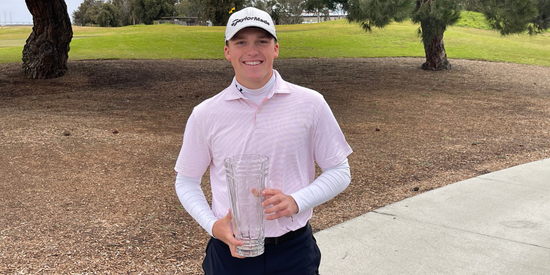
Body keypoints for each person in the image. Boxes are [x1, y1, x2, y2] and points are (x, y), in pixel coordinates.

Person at [174, 7, 352, 275]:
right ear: (227, 51)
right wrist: (212, 225)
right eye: (241, 42)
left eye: (262, 41)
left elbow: (339, 170)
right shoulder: (205, 114)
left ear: (276, 48)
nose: (252, 50)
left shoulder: (310, 103)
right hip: (230, 253)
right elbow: (186, 180)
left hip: (294, 252)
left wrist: (297, 200)